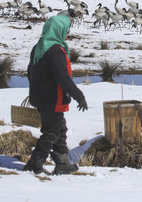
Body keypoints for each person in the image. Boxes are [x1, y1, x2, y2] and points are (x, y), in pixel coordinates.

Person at [23, 14, 88, 174]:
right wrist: (79, 95)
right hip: (53, 99)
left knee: (60, 129)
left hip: (40, 98)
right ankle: (34, 164)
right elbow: (63, 78)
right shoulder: (55, 51)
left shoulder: (39, 47)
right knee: (51, 132)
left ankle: (62, 162)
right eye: (66, 29)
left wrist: (36, 89)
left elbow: (30, 72)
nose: (68, 33)